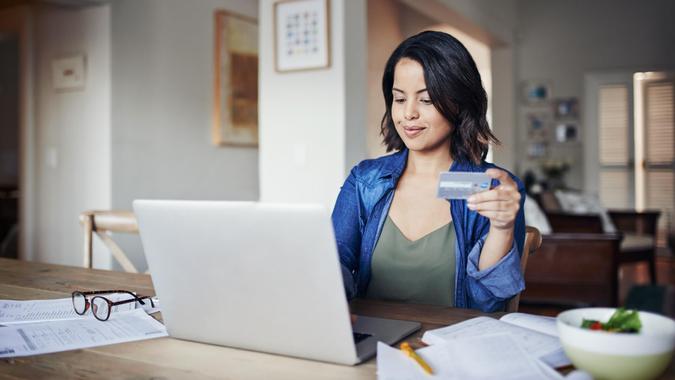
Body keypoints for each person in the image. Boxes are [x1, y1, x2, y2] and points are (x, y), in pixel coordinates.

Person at [331, 31, 525, 313]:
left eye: (426, 100)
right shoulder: (365, 181)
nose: (408, 113)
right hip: (371, 344)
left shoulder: (491, 187)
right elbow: (333, 267)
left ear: (459, 102)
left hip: (451, 347)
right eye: (399, 99)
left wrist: (503, 228)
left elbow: (489, 305)